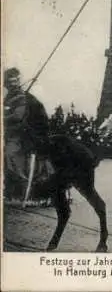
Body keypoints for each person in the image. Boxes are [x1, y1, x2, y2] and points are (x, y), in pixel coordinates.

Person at [3, 67, 54, 201]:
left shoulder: (22, 97)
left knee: (10, 154)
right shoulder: (9, 97)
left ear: (19, 81)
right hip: (11, 132)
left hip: (23, 134)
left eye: (15, 81)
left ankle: (22, 184)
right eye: (10, 82)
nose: (12, 85)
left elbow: (17, 117)